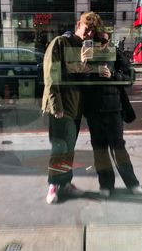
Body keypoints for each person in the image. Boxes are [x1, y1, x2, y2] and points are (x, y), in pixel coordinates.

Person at [42, 12, 102, 204]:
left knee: (69, 148)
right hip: (60, 105)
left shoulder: (84, 48)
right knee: (60, 147)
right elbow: (51, 74)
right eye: (87, 28)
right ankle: (53, 185)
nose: (90, 33)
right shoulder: (60, 42)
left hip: (75, 106)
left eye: (93, 30)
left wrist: (88, 63)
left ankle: (65, 183)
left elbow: (83, 77)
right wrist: (55, 105)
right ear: (78, 24)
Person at [81, 30, 142, 197]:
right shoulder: (85, 55)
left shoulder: (115, 54)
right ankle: (106, 185)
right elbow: (76, 81)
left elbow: (130, 77)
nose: (101, 44)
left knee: (118, 147)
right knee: (99, 149)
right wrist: (83, 67)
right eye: (97, 40)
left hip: (114, 108)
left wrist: (112, 75)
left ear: (109, 41)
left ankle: (132, 183)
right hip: (94, 110)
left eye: (104, 41)